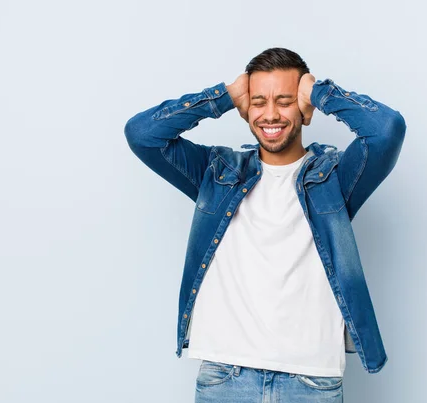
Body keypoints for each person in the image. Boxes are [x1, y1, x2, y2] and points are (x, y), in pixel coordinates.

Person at [124, 47, 406, 402]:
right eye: (259, 101)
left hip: (311, 381)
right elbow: (142, 134)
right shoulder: (217, 172)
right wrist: (224, 96)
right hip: (224, 377)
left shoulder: (334, 178)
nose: (270, 114)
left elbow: (386, 130)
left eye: (285, 101)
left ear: (305, 110)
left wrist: (319, 93)